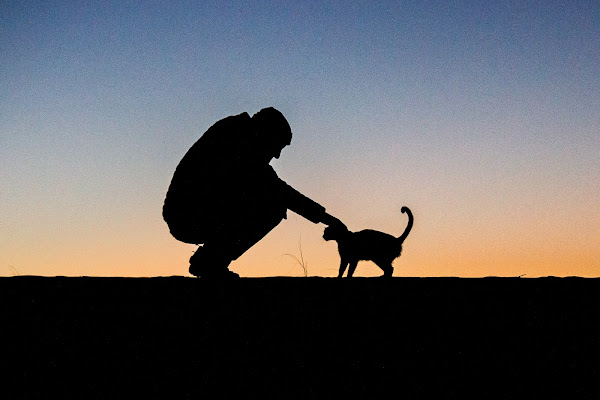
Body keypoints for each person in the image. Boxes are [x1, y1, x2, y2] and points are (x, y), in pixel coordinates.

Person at [163, 107, 345, 278]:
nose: (277, 155)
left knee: (268, 198)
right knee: (273, 206)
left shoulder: (239, 136)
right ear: (265, 133)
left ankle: (209, 260)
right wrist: (329, 220)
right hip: (188, 215)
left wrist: (327, 218)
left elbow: (275, 187)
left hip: (193, 211)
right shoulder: (236, 140)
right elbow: (281, 192)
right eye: (278, 146)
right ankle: (210, 262)